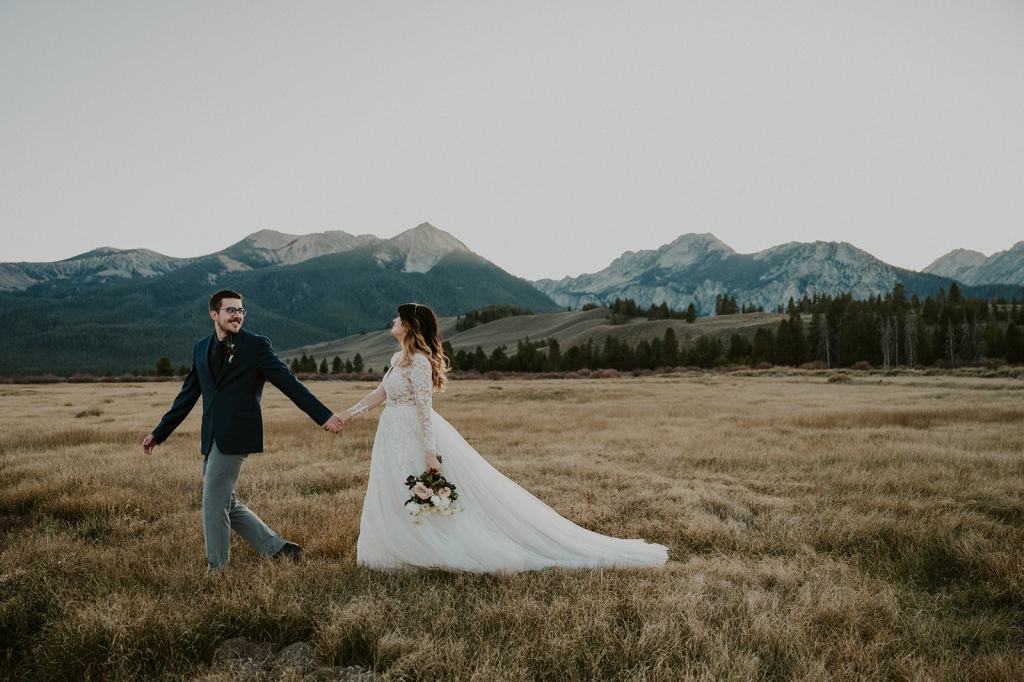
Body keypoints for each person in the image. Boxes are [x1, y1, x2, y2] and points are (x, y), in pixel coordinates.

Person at [341, 302, 668, 572]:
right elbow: (379, 393)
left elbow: (425, 409)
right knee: (392, 487)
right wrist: (345, 415)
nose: (393, 320)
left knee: (419, 489)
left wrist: (430, 452)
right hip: (391, 433)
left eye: (399, 317)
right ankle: (394, 548)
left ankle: (429, 548)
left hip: (414, 433)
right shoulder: (399, 359)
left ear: (410, 326)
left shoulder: (422, 364)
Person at [141, 289, 345, 573]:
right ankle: (277, 548)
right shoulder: (201, 348)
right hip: (211, 434)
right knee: (227, 502)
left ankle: (218, 571)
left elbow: (290, 383)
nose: (237, 315)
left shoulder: (256, 346)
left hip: (238, 434)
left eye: (240, 310)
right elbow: (187, 396)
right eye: (230, 310)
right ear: (214, 314)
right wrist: (160, 432)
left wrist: (323, 416)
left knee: (213, 503)